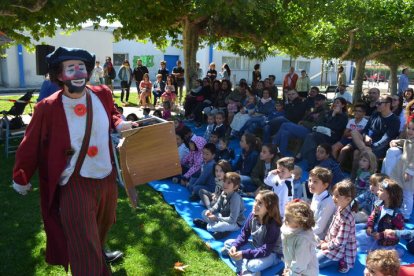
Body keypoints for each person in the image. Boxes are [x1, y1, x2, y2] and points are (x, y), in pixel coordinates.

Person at [12, 47, 133, 275]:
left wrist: (119, 123)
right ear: (60, 75)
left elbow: (111, 112)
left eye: (81, 67)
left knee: (100, 228)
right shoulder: (47, 107)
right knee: (82, 242)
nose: (78, 73)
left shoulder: (102, 93)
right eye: (71, 68)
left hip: (106, 177)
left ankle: (99, 253)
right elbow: (30, 145)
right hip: (74, 181)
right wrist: (21, 176)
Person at [221, 190, 282, 275]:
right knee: (229, 244)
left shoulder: (273, 225)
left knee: (252, 265)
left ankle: (245, 266)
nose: (255, 205)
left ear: (269, 208)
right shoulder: (252, 216)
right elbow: (244, 235)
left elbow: (266, 250)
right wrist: (235, 246)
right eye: (255, 200)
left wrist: (244, 254)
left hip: (271, 253)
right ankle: (245, 269)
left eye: (260, 203)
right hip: (255, 246)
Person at [317, 180, 357, 273]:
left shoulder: (346, 219)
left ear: (348, 199)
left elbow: (340, 242)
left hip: (337, 251)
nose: (333, 198)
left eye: (337, 196)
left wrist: (326, 245)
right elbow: (333, 229)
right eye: (333, 195)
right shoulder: (340, 207)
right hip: (332, 245)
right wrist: (326, 241)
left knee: (312, 263)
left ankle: (344, 261)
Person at [356, 179, 404, 254]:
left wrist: (381, 235)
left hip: (384, 240)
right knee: (356, 237)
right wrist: (370, 226)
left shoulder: (396, 214)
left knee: (378, 254)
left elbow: (399, 231)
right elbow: (372, 216)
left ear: (389, 195)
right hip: (374, 233)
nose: (378, 191)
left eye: (381, 190)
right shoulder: (378, 204)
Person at [193, 172, 246, 240]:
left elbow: (232, 219)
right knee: (204, 212)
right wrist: (210, 211)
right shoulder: (224, 192)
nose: (225, 184)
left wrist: (216, 218)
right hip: (223, 217)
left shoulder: (235, 198)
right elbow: (217, 205)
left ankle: (206, 226)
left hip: (235, 223)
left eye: (228, 183)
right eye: (224, 181)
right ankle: (221, 232)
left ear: (235, 187)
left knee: (221, 226)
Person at [382, 115, 414, 220]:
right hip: (402, 169)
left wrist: (410, 172)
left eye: (413, 129)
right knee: (400, 188)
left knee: (407, 193)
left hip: (410, 172)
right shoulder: (410, 139)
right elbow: (406, 143)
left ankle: (406, 215)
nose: (410, 131)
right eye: (409, 128)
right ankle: (398, 208)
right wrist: (398, 141)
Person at [282, 201, 319, 276]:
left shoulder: (303, 239)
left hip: (304, 273)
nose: (285, 220)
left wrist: (290, 274)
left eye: (288, 219)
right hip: (293, 269)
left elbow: (300, 264)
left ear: (298, 222)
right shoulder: (288, 229)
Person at [308, 167, 336, 240]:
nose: (310, 184)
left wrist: (303, 231)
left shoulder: (328, 203)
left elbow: (319, 228)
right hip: (310, 229)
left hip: (320, 236)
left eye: (315, 182)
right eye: (310, 180)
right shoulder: (316, 194)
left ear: (325, 185)